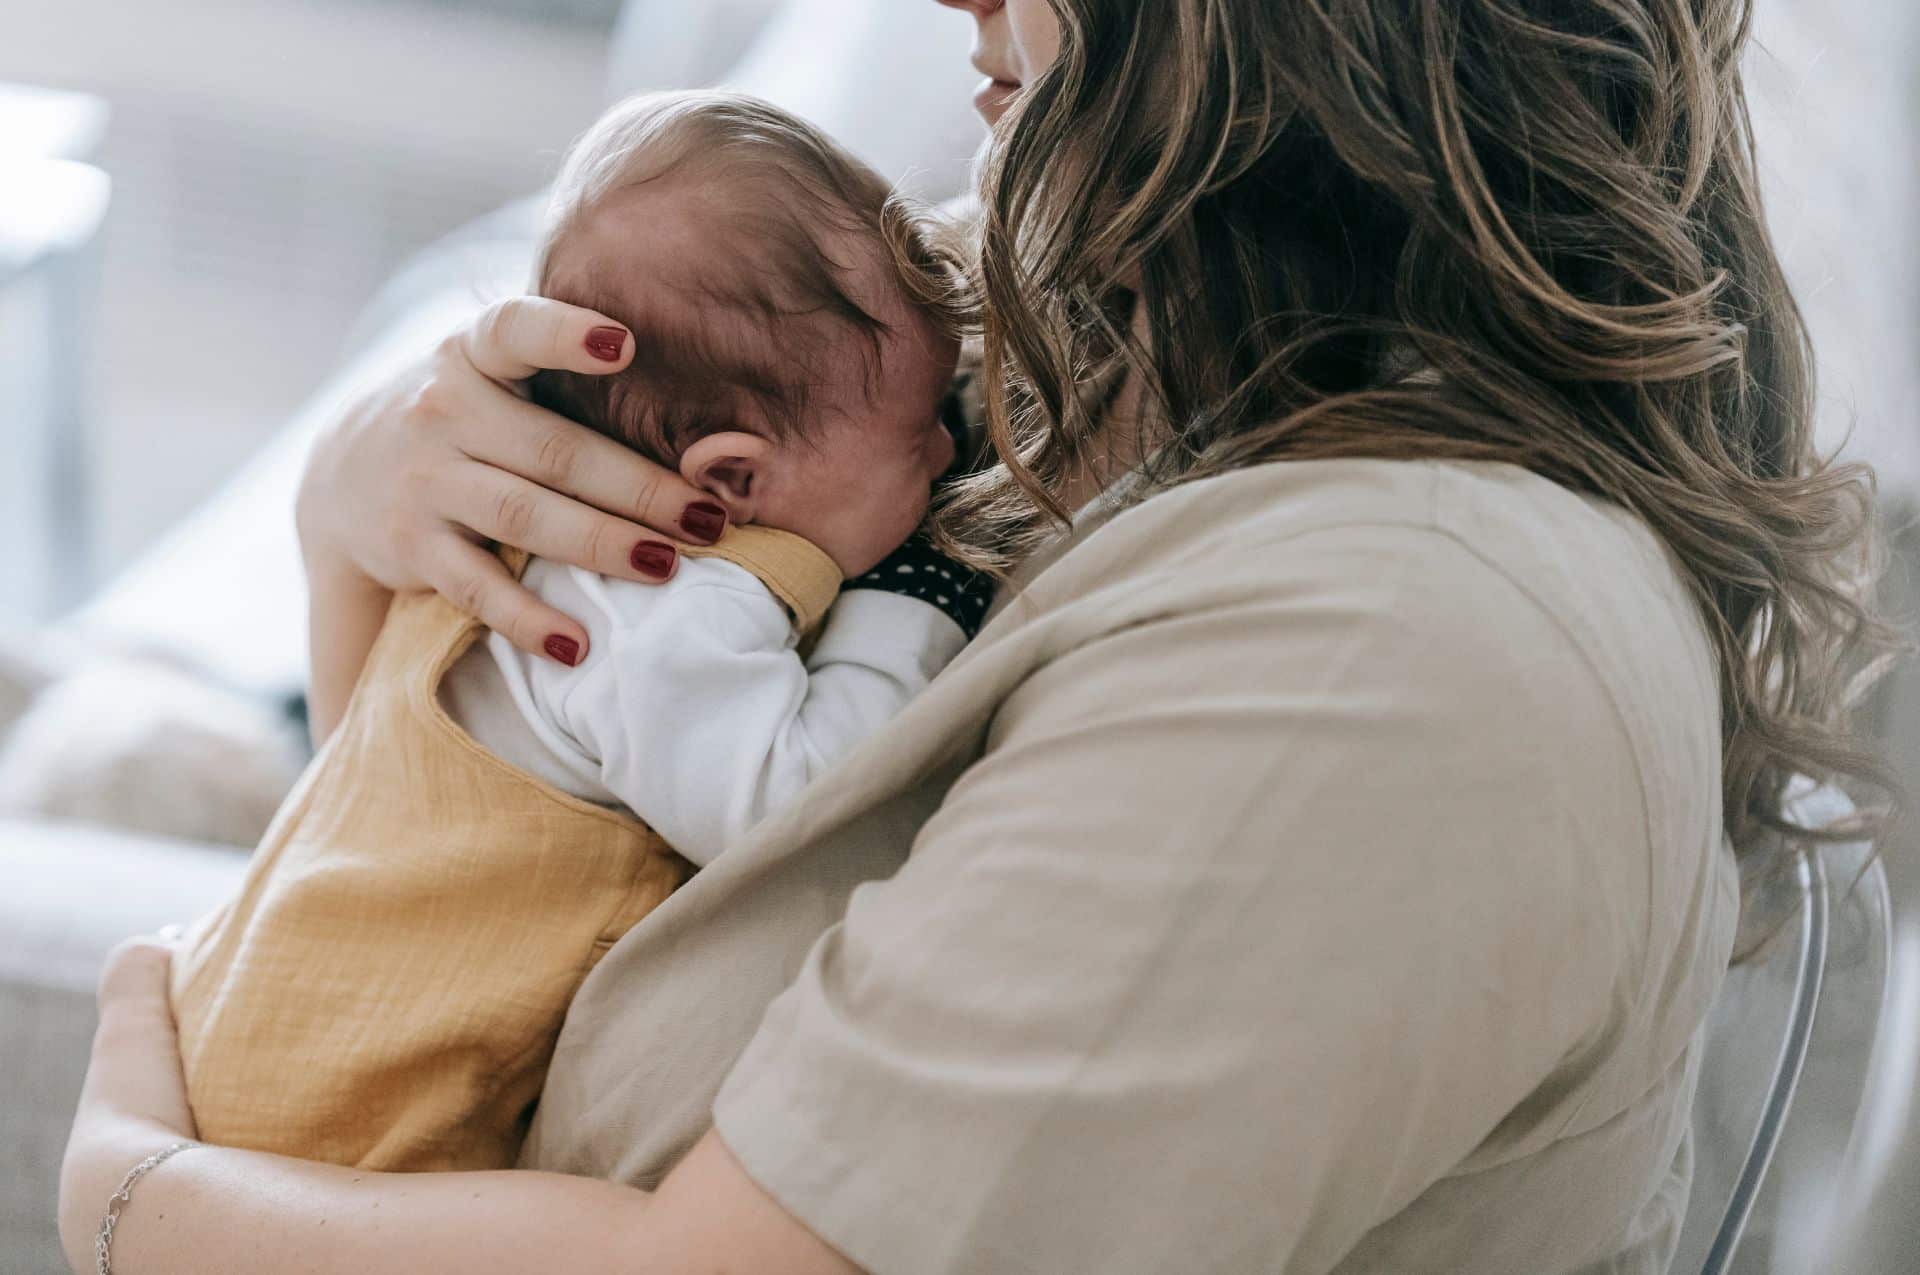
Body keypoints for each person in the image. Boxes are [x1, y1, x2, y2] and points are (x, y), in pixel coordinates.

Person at [59, 0, 1900, 1271]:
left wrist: (140, 1201)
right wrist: (359, 514)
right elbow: (439, 798)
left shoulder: (1387, 646)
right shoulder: (1094, 355)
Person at [165, 89, 989, 1174]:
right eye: (919, 434)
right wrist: (914, 599)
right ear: (731, 477)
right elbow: (794, 802)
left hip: (276, 1004)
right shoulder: (668, 606)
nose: (946, 454)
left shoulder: (542, 525)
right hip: (347, 1106)